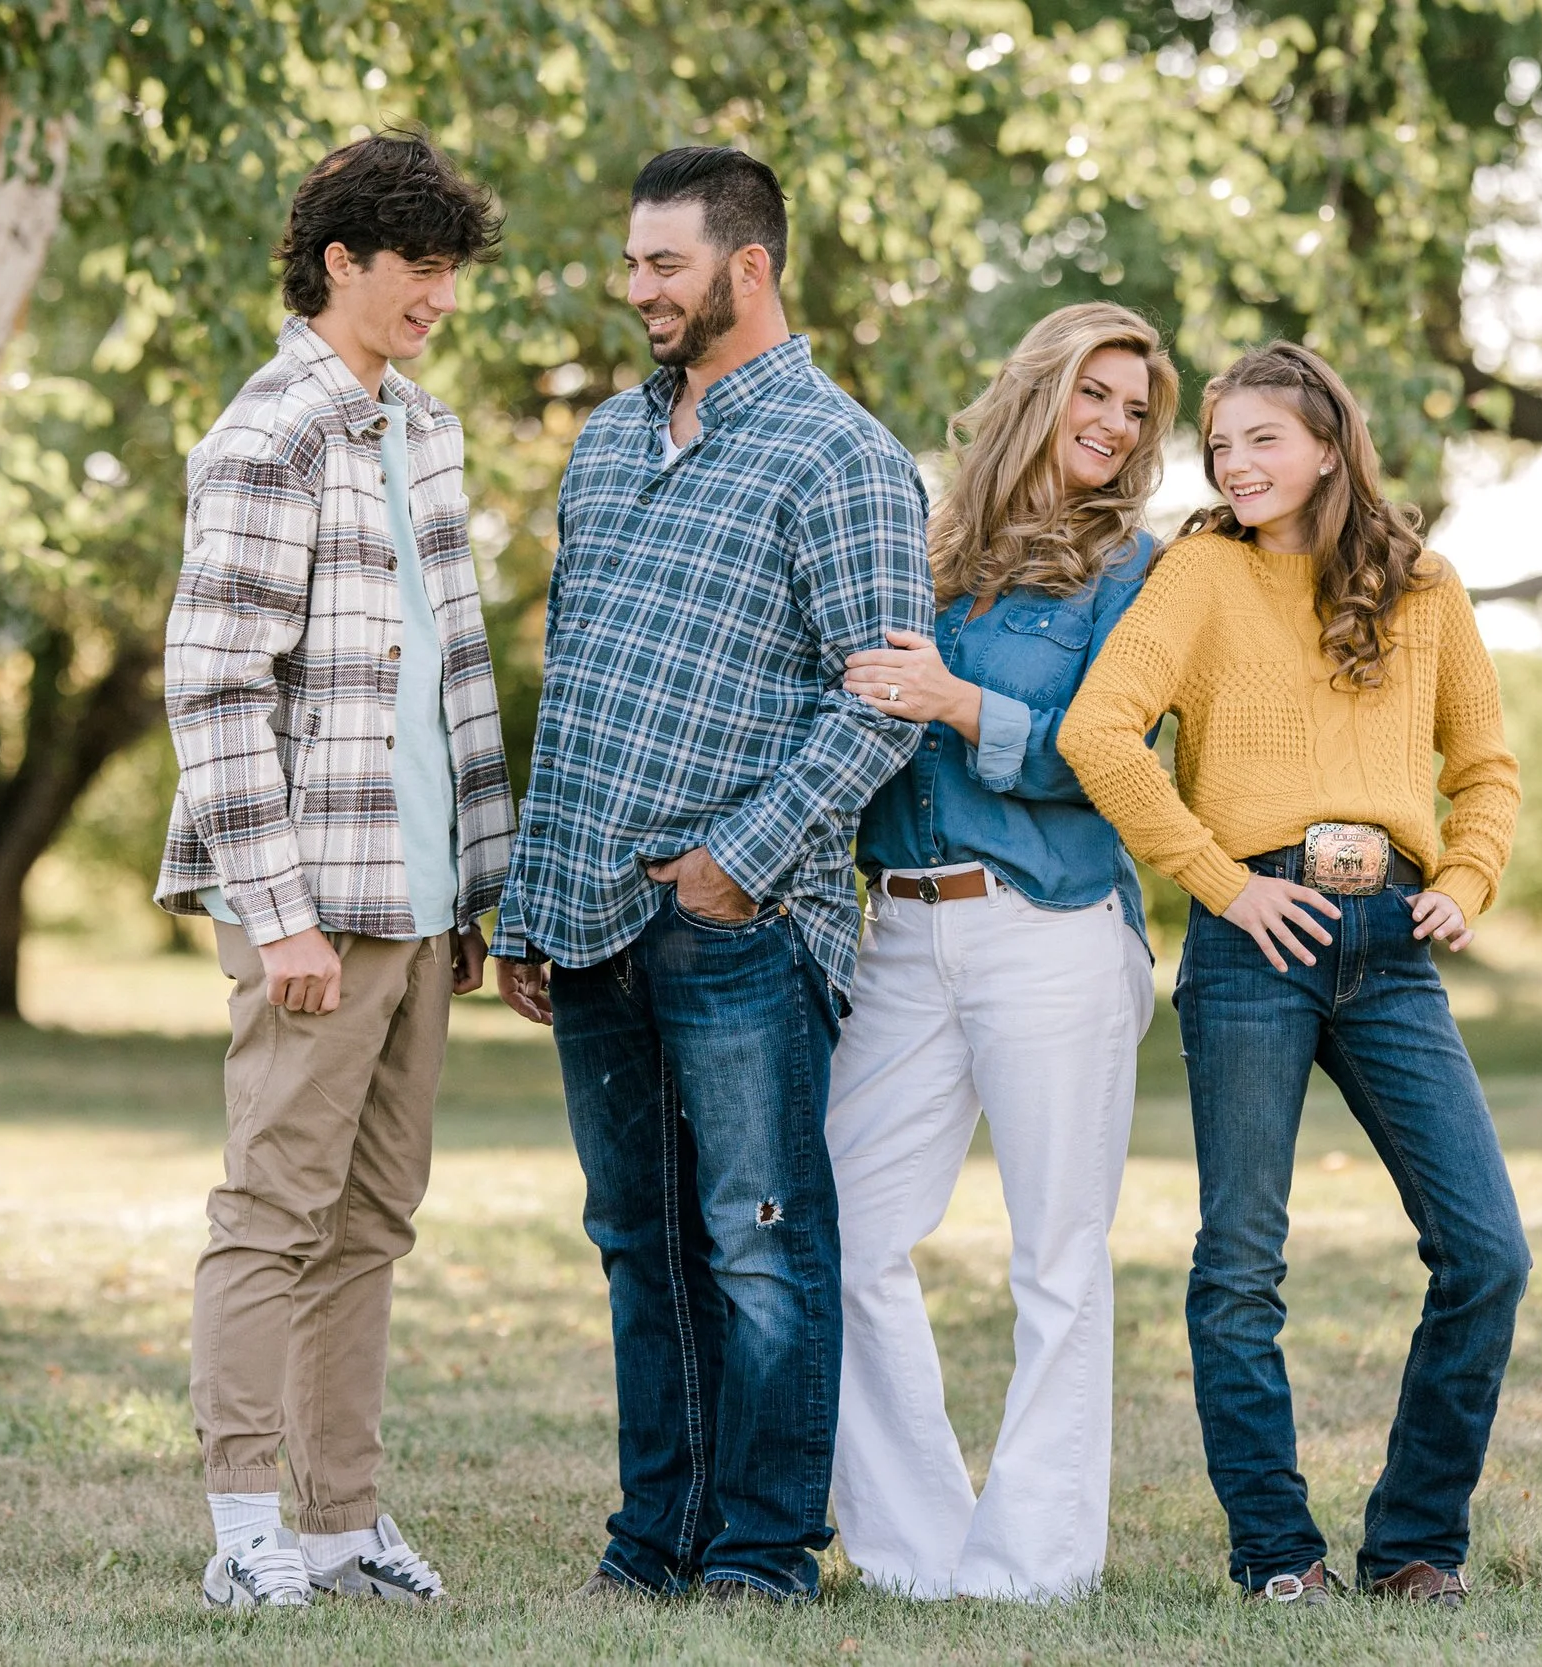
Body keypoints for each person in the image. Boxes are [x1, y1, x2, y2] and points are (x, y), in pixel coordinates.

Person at [491, 146, 933, 1604]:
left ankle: (759, 1550)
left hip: (738, 918)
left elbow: (882, 699)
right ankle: (655, 1541)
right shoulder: (609, 440)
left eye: (663, 263)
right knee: (638, 1244)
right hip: (589, 909)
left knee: (758, 1245)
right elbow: (577, 682)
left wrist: (732, 866)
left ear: (748, 266)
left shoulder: (842, 454)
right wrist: (531, 902)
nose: (637, 288)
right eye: (631, 261)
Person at [1058, 341, 1528, 1610]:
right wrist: (1220, 880)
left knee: (1487, 1250)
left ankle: (1415, 1543)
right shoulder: (1200, 573)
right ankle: (1276, 1551)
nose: (1235, 463)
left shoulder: (1423, 585)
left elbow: (1485, 767)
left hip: (1391, 949)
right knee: (1240, 1263)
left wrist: (1467, 876)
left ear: (1328, 443)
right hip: (1250, 942)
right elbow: (1098, 730)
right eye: (1219, 444)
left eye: (1261, 438)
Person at [154, 129, 514, 1611]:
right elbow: (214, 685)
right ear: (339, 261)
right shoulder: (270, 433)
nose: (439, 294)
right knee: (273, 1215)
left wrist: (472, 888)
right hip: (312, 904)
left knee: (370, 1222)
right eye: (417, 266)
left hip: (419, 901)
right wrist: (280, 913)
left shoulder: (420, 428)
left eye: (451, 269)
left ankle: (338, 1521)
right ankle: (245, 1524)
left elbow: (448, 676)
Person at [825, 303, 1175, 1602]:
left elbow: (1116, 760)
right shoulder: (920, 545)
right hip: (901, 925)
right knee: (842, 1227)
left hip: (1051, 925)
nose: (1116, 426)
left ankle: (1031, 1566)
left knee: (1057, 1260)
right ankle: (915, 1552)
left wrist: (963, 702)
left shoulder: (1134, 571)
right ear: (1037, 388)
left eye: (1136, 410)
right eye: (1096, 393)